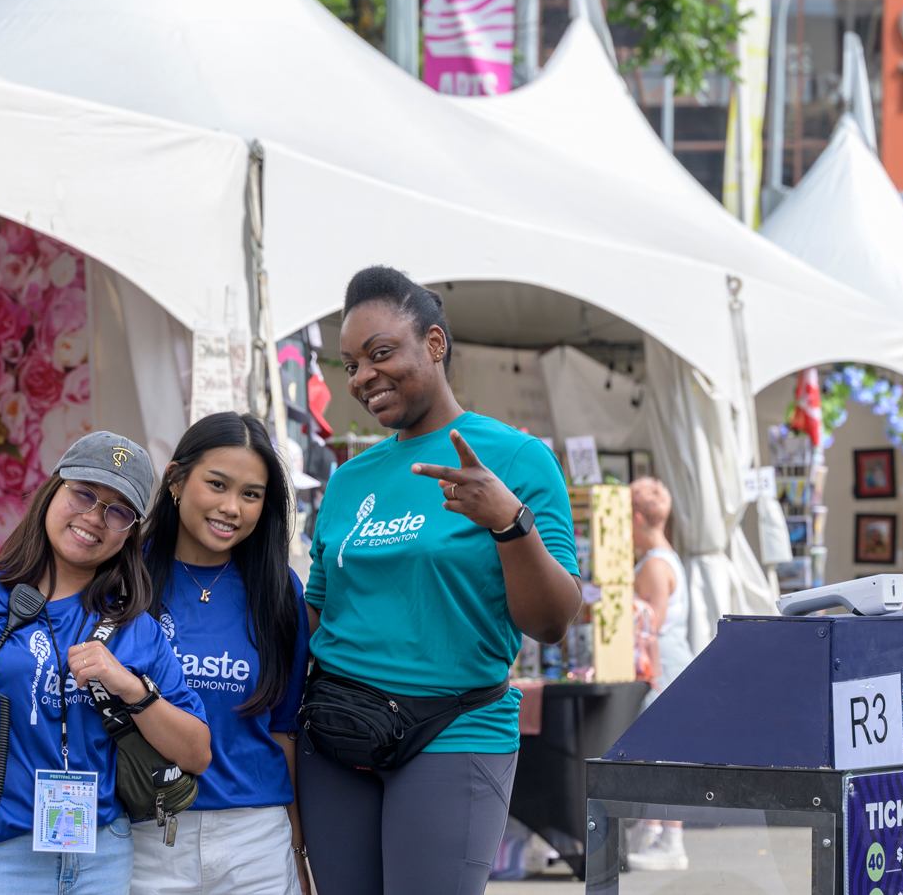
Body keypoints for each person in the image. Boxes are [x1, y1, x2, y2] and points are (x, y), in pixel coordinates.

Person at [298, 266, 582, 895]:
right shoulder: (349, 480)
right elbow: (318, 610)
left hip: (453, 730)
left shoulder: (515, 458)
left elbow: (554, 620)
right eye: (351, 365)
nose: (364, 377)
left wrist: (510, 523)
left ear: (434, 343)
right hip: (338, 730)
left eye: (380, 354)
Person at [0, 431, 211, 895]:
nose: (94, 518)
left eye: (118, 510)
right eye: (84, 494)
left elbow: (197, 753)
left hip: (103, 855)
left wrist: (130, 688)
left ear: (130, 532)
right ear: (53, 490)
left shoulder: (135, 625)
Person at [134, 411, 310, 894]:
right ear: (176, 480)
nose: (232, 507)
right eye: (217, 484)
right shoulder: (126, 580)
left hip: (255, 842)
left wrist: (296, 849)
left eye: (251, 494)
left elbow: (283, 728)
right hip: (146, 837)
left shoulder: (278, 590)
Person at [625, 476, 693, 872]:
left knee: (661, 752)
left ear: (636, 517)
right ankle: (654, 833)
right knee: (659, 751)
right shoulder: (666, 557)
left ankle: (669, 840)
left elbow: (653, 620)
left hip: (662, 666)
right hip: (668, 663)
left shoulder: (653, 563)